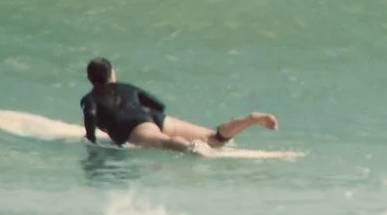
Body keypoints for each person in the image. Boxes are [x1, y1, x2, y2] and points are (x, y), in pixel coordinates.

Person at [79, 57, 277, 153]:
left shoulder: (89, 99)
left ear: (90, 78)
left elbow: (90, 116)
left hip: (133, 127)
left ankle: (193, 150)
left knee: (165, 142)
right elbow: (159, 104)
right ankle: (250, 120)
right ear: (112, 73)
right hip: (155, 117)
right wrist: (152, 119)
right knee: (214, 138)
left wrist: (91, 140)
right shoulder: (128, 88)